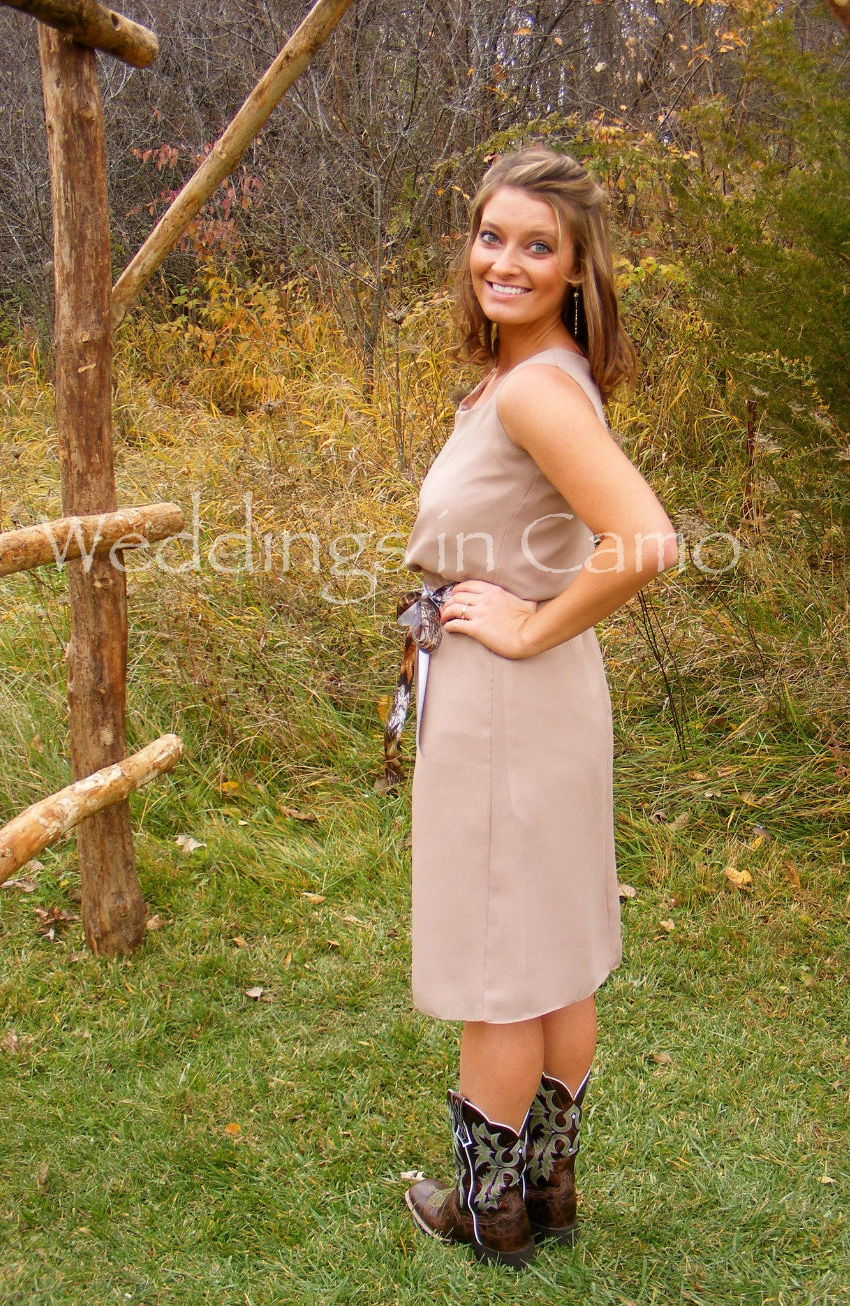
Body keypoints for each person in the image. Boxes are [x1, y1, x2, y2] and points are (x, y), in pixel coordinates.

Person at [399, 146, 679, 1270]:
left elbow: (646, 542)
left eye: (535, 245)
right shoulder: (540, 373)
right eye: (490, 236)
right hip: (542, 694)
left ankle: (487, 1208)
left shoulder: (532, 388)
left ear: (573, 269)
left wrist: (517, 624)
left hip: (511, 691)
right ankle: (549, 1189)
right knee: (553, 950)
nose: (503, 261)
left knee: (496, 960)